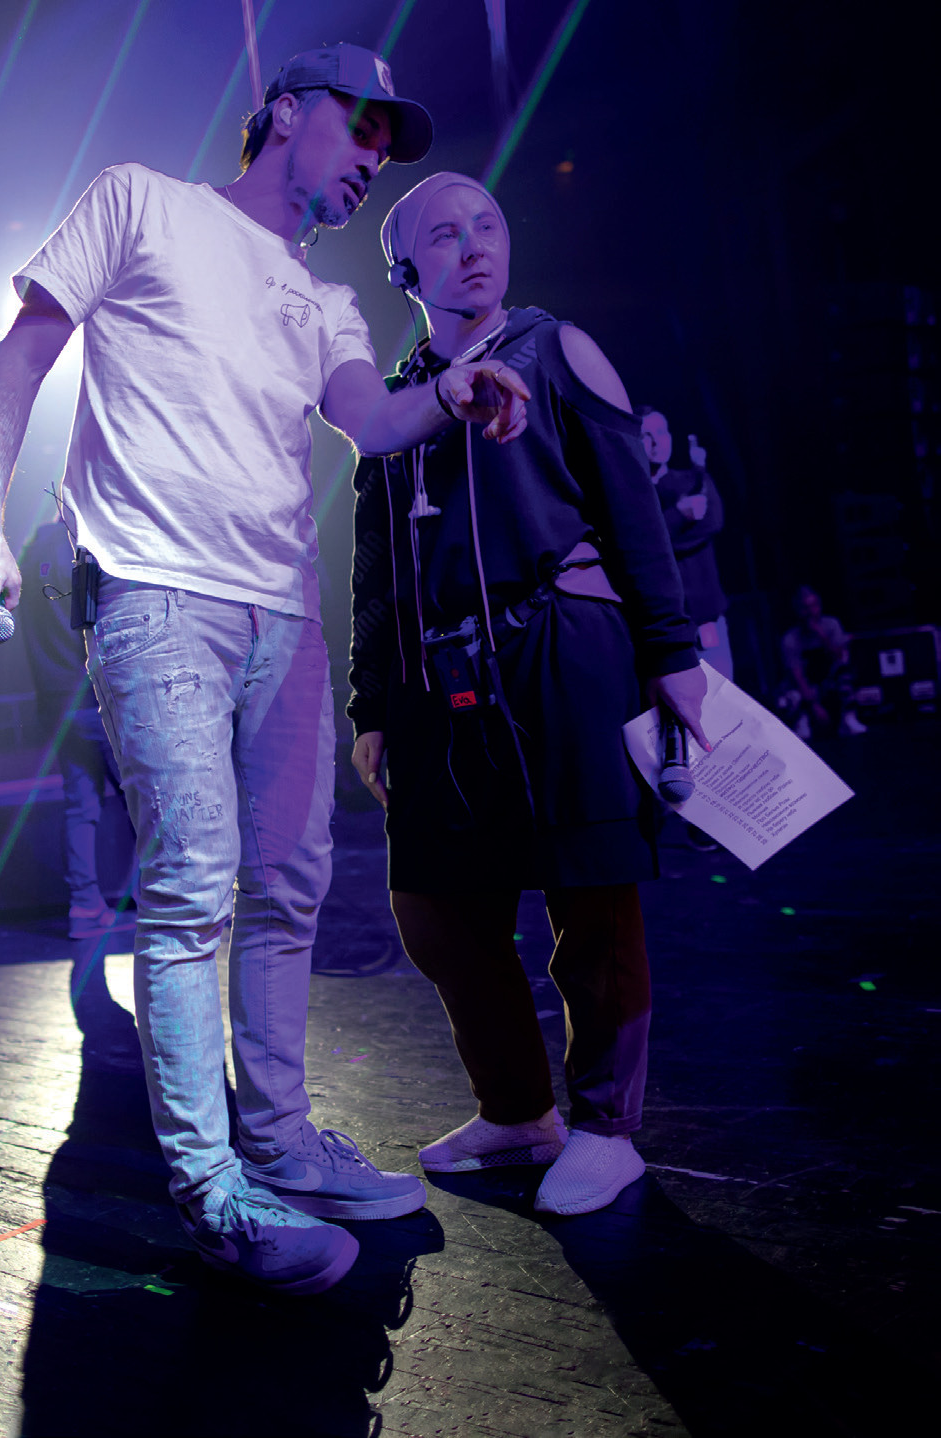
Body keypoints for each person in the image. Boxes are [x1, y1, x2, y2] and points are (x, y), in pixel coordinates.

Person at [0, 45, 530, 1297]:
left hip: (284, 619)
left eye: (387, 145)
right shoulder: (141, 202)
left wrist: (454, 389)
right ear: (283, 112)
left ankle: (277, 1142)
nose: (373, 159)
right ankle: (214, 1192)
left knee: (289, 888)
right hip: (154, 597)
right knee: (192, 886)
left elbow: (371, 419)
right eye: (361, 126)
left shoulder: (326, 299)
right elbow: (23, 352)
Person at [348, 173, 707, 1217]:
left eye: (488, 226)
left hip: (562, 649)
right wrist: (373, 705)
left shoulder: (557, 351)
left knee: (591, 902)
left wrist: (671, 650)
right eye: (443, 235)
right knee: (433, 908)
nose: (473, 247)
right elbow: (374, 565)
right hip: (438, 679)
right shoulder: (394, 398)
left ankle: (605, 1129)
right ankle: (517, 1111)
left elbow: (633, 510)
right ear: (403, 269)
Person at [20, 516, 134, 941]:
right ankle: (168, 903)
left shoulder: (31, 552)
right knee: (142, 800)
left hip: (55, 700)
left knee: (80, 806)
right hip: (94, 694)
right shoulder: (83, 542)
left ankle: (85, 906)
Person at [638, 408, 734, 681]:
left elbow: (713, 521)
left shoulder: (691, 480)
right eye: (646, 435)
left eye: (661, 432)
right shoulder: (635, 493)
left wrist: (662, 538)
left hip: (706, 621)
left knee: (721, 700)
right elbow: (640, 544)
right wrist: (679, 515)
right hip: (662, 628)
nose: (656, 442)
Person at [778, 585, 866, 738]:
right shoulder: (790, 639)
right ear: (798, 611)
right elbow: (798, 676)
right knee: (786, 697)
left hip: (828, 681)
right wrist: (815, 706)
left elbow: (840, 657)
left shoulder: (832, 625)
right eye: (805, 608)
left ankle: (848, 719)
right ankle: (801, 722)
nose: (811, 612)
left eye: (814, 606)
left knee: (846, 673)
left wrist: (822, 636)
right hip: (808, 686)